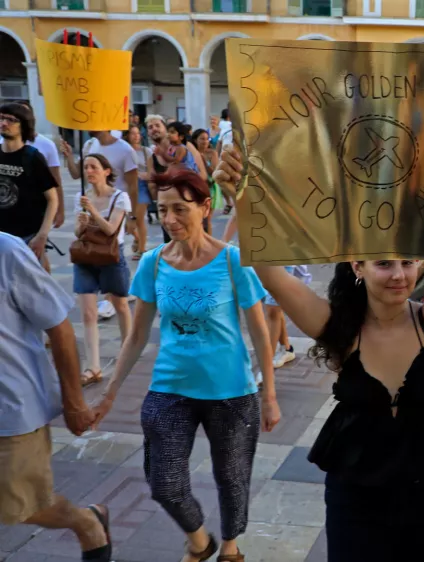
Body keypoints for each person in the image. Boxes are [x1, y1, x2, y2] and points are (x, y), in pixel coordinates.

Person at [213, 142, 424, 561]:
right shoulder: (335, 326)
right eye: (383, 263)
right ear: (357, 266)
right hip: (354, 501)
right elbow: (266, 265)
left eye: (408, 262)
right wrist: (238, 191)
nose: (399, 275)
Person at [92, 169, 280, 562]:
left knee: (232, 478)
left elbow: (261, 333)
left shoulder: (232, 262)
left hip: (231, 391)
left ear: (205, 206)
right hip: (170, 388)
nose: (171, 219)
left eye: (180, 208)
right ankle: (199, 541)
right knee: (165, 482)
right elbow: (138, 334)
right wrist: (110, 392)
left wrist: (271, 395)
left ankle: (229, 546)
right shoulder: (153, 262)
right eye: (162, 210)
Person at [0, 232, 113, 562]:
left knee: (23, 507)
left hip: (11, 410)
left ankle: (87, 522)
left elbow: (60, 327)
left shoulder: (7, 251)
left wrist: (74, 402)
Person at [73, 154, 134, 387]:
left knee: (120, 305)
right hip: (86, 258)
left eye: (94, 167)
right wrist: (81, 223)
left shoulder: (120, 197)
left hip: (111, 258)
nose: (89, 171)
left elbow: (110, 230)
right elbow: (79, 234)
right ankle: (93, 366)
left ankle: (127, 352)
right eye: (86, 167)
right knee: (88, 312)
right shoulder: (84, 197)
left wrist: (93, 213)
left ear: (106, 171)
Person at [0, 103, 58, 268]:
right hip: (2, 236)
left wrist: (42, 236)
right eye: (2, 118)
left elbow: (52, 199)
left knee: (32, 287)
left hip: (26, 236)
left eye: (11, 120)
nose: (4, 123)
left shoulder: (32, 157)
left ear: (23, 126)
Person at [127, 124, 154, 257]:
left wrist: (140, 175)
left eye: (137, 133)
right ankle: (137, 238)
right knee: (127, 219)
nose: (136, 136)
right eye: (133, 133)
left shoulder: (146, 151)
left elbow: (150, 173)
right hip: (127, 186)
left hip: (142, 186)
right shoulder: (125, 150)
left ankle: (142, 249)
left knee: (138, 219)